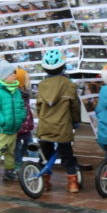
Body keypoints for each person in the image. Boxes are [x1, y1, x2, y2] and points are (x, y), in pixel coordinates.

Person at [35, 48, 81, 193]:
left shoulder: (42, 85)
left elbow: (38, 107)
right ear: (63, 67)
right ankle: (73, 184)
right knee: (67, 156)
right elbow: (74, 107)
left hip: (45, 126)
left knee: (45, 156)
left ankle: (46, 183)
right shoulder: (69, 84)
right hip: (62, 127)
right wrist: (75, 122)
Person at [0, 60, 26, 185]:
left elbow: (21, 106)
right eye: (11, 73)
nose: (14, 75)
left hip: (13, 128)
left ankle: (9, 171)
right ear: (4, 76)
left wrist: (21, 117)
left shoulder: (16, 91)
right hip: (2, 129)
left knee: (10, 152)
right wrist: (4, 121)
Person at [12, 67, 35, 171]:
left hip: (26, 124)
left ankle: (22, 159)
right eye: (27, 80)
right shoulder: (16, 93)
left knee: (28, 143)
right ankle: (18, 164)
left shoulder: (25, 92)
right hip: (19, 125)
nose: (29, 82)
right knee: (17, 146)